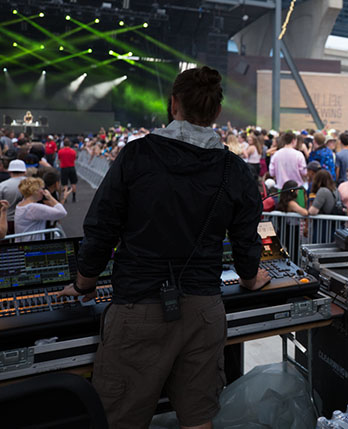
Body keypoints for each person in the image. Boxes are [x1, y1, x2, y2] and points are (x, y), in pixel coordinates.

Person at [55, 66, 270, 429]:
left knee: (121, 419)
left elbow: (102, 228)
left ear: (174, 105)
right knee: (199, 418)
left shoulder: (137, 155)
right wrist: (249, 278)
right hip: (203, 310)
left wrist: (83, 284)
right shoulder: (234, 170)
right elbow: (247, 237)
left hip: (138, 307)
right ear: (217, 112)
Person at [0, 159, 28, 235]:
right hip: (28, 221)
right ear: (25, 171)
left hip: (8, 221)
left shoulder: (3, 185)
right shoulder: (33, 184)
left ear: (9, 171)